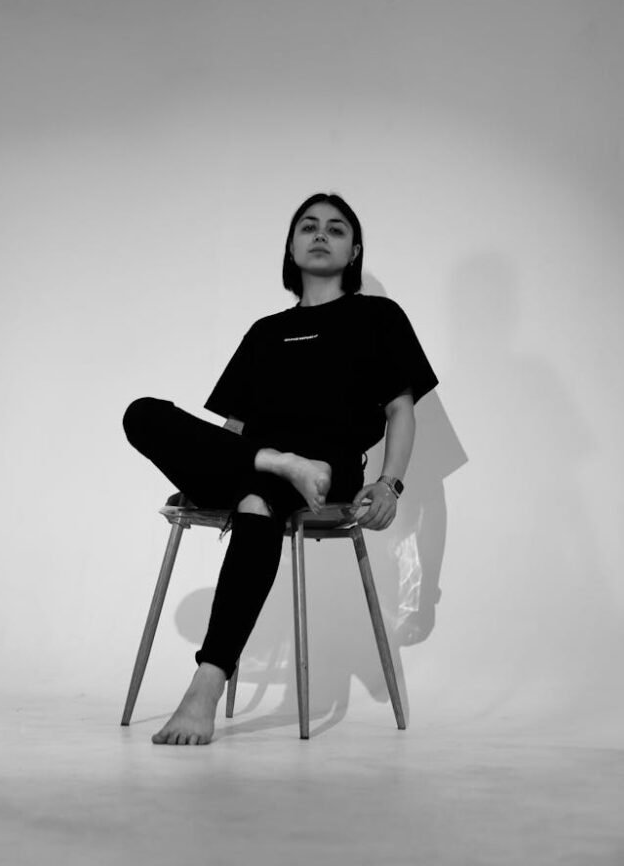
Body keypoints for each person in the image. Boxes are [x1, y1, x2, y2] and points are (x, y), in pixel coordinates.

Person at [122, 192, 438, 745]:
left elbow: (400, 410)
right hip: (262, 459)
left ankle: (205, 685)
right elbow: (232, 429)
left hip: (327, 468)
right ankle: (279, 464)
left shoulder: (377, 317)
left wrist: (389, 484)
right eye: (309, 226)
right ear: (291, 247)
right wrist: (206, 476)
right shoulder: (265, 330)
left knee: (257, 499)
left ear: (355, 249)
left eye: (336, 229)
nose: (321, 234)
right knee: (142, 414)